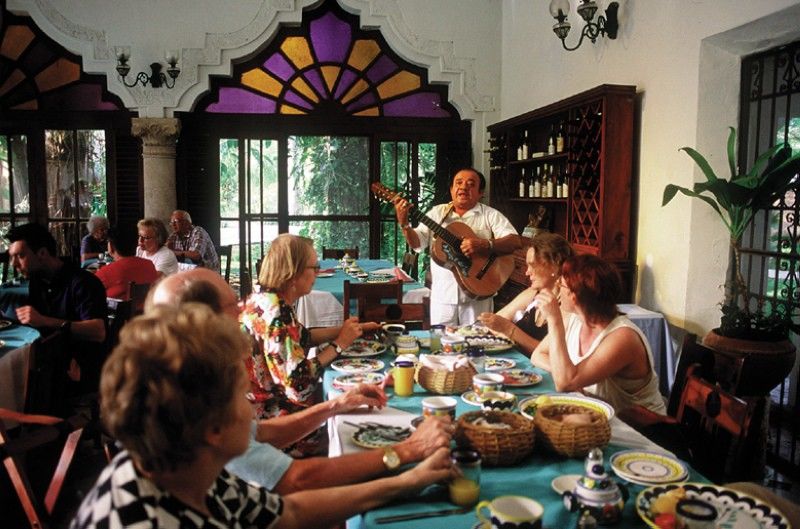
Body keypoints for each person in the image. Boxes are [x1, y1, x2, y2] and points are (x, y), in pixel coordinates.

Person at [70, 304, 454, 529]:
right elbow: (294, 490)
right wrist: (406, 453)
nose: (253, 403)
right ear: (215, 428)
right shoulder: (146, 518)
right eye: (243, 394)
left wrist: (408, 482)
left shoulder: (182, 465)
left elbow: (288, 511)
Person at [146, 267, 454, 492]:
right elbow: (296, 480)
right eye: (234, 305)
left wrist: (336, 406)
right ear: (200, 321)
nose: (243, 310)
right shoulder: (187, 407)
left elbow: (260, 435)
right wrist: (406, 453)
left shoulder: (189, 384)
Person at [240, 234, 381, 456]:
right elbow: (298, 384)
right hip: (270, 419)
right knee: (355, 428)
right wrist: (339, 345)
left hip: (256, 410)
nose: (318, 273)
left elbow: (303, 337)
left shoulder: (266, 299)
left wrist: (353, 328)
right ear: (293, 273)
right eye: (314, 268)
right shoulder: (277, 314)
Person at [531, 254, 667, 414]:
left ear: (575, 297)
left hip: (640, 430)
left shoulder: (623, 337)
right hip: (596, 418)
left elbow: (564, 383)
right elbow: (538, 355)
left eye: (561, 286)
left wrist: (554, 320)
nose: (558, 293)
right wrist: (569, 376)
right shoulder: (575, 319)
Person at [391, 167, 520, 326]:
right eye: (458, 183)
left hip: (478, 293)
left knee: (477, 343)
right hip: (443, 296)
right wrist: (404, 224)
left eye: (471, 184)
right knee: (440, 343)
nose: (463, 187)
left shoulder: (490, 215)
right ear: (452, 190)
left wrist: (484, 244)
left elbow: (514, 241)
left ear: (480, 193)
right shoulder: (438, 213)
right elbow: (418, 243)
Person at [6, 223, 107, 396]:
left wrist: (44, 321)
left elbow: (99, 331)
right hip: (49, 361)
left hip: (78, 368)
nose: (13, 264)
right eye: (11, 257)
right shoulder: (38, 282)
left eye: (20, 256)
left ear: (43, 253)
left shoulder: (82, 282)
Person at [478, 232, 574, 353]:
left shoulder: (568, 306)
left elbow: (550, 354)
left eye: (532, 265)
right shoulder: (533, 293)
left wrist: (509, 330)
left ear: (554, 266)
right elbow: (494, 323)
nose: (527, 272)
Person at [95, 225, 160, 300]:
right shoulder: (149, 265)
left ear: (111, 246)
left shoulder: (105, 273)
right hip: (148, 310)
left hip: (118, 311)